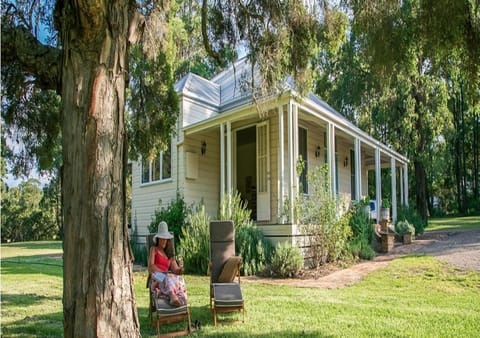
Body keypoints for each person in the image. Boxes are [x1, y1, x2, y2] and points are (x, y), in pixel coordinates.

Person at [148, 221, 187, 307]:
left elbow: (176, 270)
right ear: (158, 239)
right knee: (168, 276)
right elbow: (151, 266)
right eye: (162, 238)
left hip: (166, 280)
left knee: (180, 278)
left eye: (165, 238)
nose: (164, 241)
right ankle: (172, 296)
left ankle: (180, 300)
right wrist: (164, 273)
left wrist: (181, 268)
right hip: (156, 277)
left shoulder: (169, 254)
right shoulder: (154, 249)